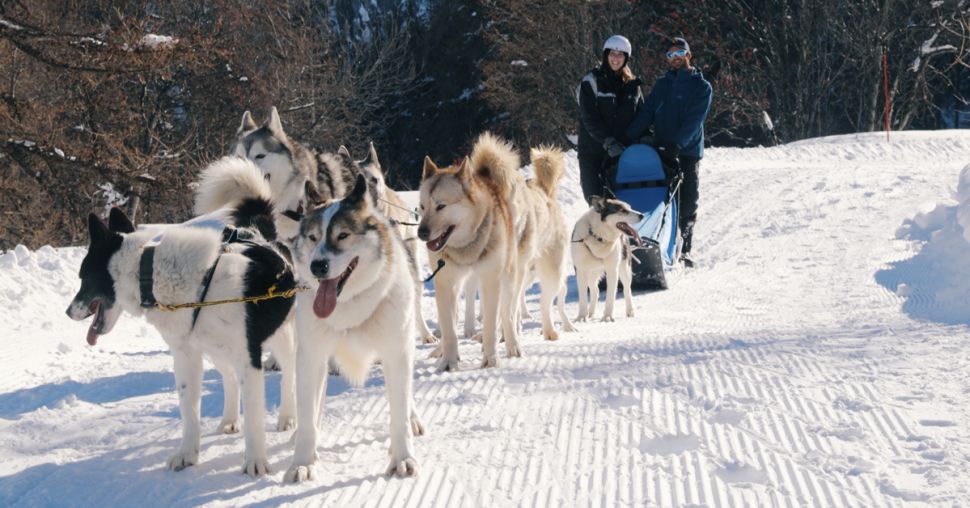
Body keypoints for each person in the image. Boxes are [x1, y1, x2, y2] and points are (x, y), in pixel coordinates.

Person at [623, 37, 712, 268]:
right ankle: (656, 242)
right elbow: (647, 113)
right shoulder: (663, 85)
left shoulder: (701, 87)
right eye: (670, 55)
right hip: (661, 150)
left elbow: (694, 121)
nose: (675, 58)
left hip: (687, 151)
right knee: (660, 196)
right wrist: (628, 137)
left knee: (687, 197)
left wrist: (677, 144)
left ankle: (685, 246)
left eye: (679, 53)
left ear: (688, 55)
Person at [577, 35, 643, 203]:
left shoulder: (632, 86)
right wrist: (607, 141)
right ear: (606, 55)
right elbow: (589, 118)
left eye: (620, 55)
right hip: (593, 150)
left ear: (626, 58)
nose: (615, 58)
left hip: (620, 153)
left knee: (618, 203)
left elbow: (642, 116)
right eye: (612, 53)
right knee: (596, 201)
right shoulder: (591, 81)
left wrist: (646, 135)